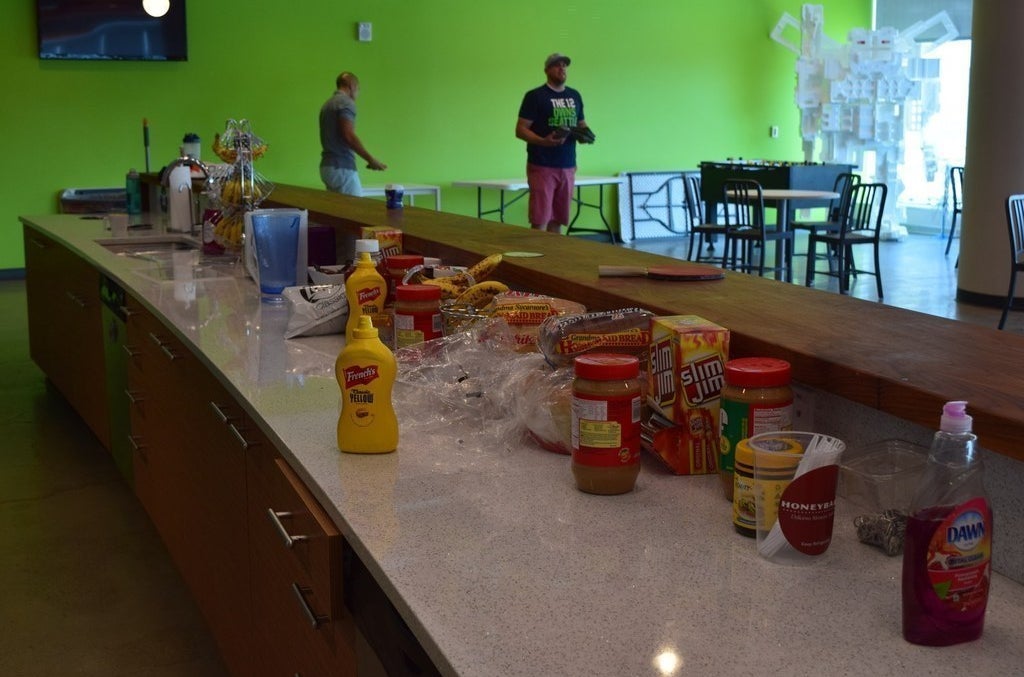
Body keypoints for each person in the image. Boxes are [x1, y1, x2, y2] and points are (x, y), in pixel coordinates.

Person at [515, 53, 592, 233]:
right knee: (540, 219)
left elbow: (581, 123)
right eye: (557, 65)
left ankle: (553, 259)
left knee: (558, 218)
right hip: (542, 165)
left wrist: (585, 135)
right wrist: (543, 141)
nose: (562, 68)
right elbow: (520, 129)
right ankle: (535, 260)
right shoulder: (535, 96)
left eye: (564, 65)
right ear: (547, 70)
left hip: (567, 165)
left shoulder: (574, 95)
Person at [319, 72, 386, 197]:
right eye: (358, 88)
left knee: (337, 212)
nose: (358, 93)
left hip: (327, 168)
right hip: (342, 169)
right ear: (352, 85)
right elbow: (348, 135)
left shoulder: (327, 105)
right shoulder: (346, 103)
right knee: (356, 212)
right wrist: (371, 160)